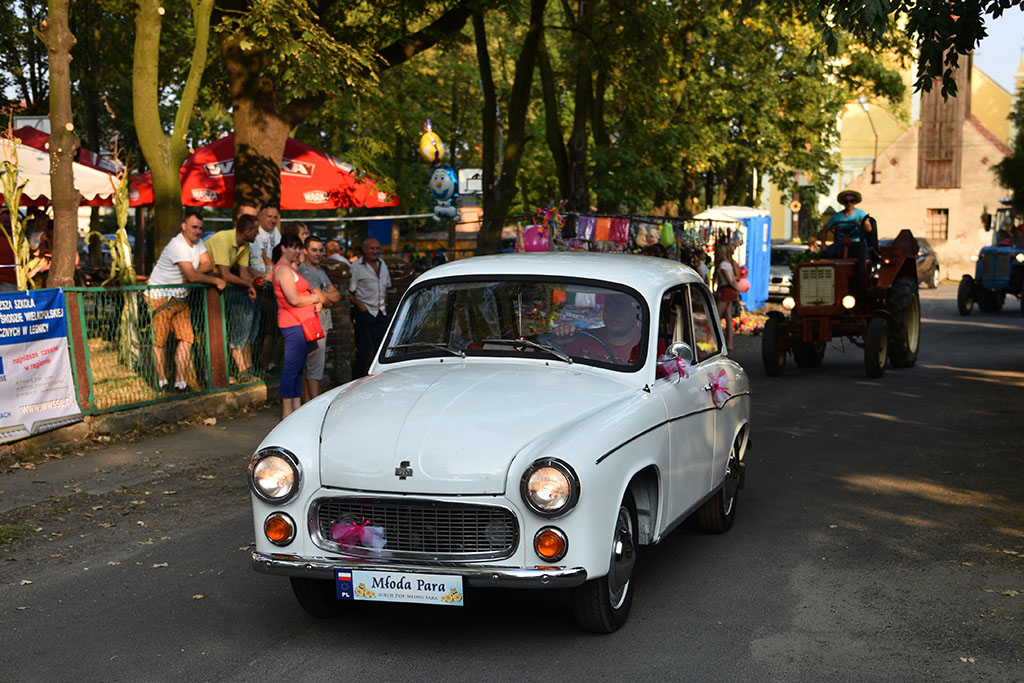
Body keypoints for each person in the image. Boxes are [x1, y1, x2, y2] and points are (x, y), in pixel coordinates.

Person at [146, 209, 226, 393]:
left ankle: (180, 383)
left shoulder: (198, 243)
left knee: (187, 338)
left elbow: (208, 264)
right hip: (160, 296)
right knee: (159, 342)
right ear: (184, 226)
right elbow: (193, 276)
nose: (198, 231)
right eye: (194, 227)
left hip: (180, 297)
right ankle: (162, 382)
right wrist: (215, 280)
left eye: (200, 228)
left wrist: (193, 272)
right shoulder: (178, 245)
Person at [273, 233, 324, 419]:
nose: (296, 251)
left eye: (298, 247)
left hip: (300, 323)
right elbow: (293, 299)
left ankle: (295, 407)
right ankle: (287, 411)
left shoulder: (289, 269)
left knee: (299, 367)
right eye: (293, 247)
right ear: (283, 248)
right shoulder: (283, 270)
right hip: (293, 323)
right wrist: (316, 298)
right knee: (292, 368)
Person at [206, 212, 260, 381]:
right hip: (206, 285)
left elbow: (243, 274)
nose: (258, 234)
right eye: (256, 231)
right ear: (247, 232)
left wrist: (251, 284)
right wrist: (249, 285)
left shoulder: (245, 245)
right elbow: (225, 275)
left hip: (220, 286)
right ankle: (228, 370)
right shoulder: (223, 238)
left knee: (246, 318)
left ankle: (244, 368)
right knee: (214, 330)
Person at [297, 235, 342, 400]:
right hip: (313, 323)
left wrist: (325, 297)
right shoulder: (305, 271)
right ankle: (313, 403)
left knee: (313, 365)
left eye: (320, 250)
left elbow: (336, 296)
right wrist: (325, 297)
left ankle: (308, 401)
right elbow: (323, 298)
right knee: (314, 366)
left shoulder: (321, 271)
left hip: (322, 322)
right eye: (314, 250)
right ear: (305, 251)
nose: (318, 254)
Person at [553, 292, 643, 365]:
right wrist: (560, 344)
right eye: (609, 305)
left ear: (635, 312)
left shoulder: (646, 346)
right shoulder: (582, 338)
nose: (614, 313)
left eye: (621, 306)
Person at [348, 237, 391, 378]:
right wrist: (360, 307)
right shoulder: (356, 267)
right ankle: (357, 382)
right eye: (372, 248)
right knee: (364, 352)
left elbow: (386, 287)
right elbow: (349, 292)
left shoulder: (382, 264)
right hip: (364, 312)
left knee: (382, 350)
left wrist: (384, 302)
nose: (375, 251)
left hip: (380, 312)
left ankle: (380, 380)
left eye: (377, 248)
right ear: (364, 249)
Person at [822, 190, 871, 258]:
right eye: (846, 201)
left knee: (863, 253)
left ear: (855, 202)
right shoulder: (837, 216)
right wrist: (823, 244)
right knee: (830, 252)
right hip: (840, 244)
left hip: (857, 243)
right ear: (843, 203)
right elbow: (824, 230)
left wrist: (861, 224)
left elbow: (869, 228)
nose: (849, 203)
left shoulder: (861, 213)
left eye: (851, 201)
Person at [714, 239, 740, 351]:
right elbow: (733, 280)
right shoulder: (728, 264)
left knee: (716, 317)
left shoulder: (722, 265)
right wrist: (736, 292)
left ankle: (715, 342)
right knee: (729, 317)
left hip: (726, 290)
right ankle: (729, 343)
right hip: (731, 291)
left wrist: (735, 289)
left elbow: (729, 281)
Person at [0, 207, 18, 292]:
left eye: (9, 222)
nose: (6, 225)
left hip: (17, 280)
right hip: (3, 282)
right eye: (4, 222)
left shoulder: (18, 240)